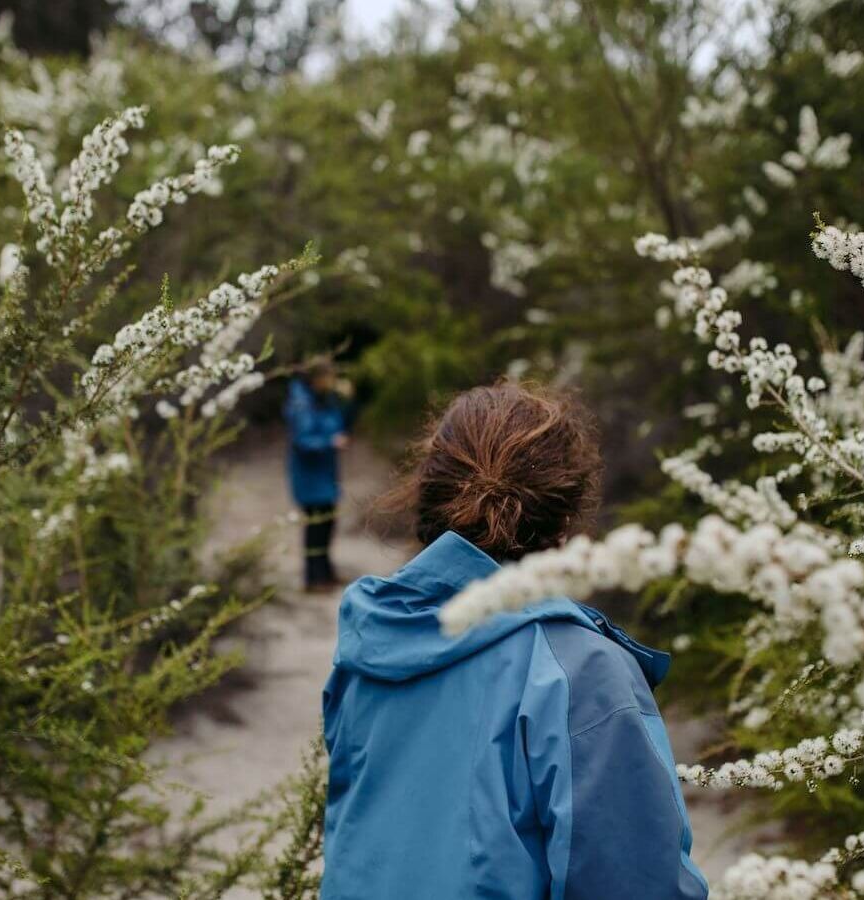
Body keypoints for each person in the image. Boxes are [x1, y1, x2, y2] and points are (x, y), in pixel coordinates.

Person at [321, 381, 708, 900]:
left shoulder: (373, 639)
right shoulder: (580, 672)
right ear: (566, 527)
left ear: (429, 504)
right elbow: (636, 883)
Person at [285, 360, 350, 592]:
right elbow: (302, 441)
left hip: (325, 474)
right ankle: (313, 578)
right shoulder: (302, 403)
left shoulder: (325, 398)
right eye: (329, 376)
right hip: (310, 476)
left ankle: (325, 572)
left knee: (327, 523)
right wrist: (329, 443)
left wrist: (348, 400)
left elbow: (340, 423)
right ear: (316, 378)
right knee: (315, 526)